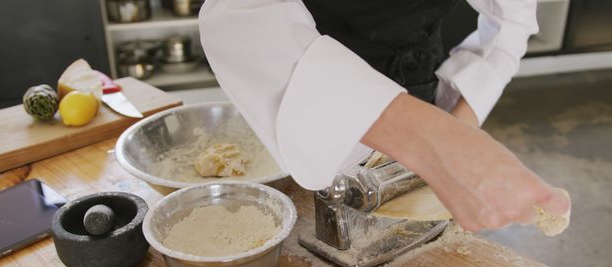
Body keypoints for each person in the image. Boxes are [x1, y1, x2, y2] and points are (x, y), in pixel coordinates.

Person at [198, 0, 570, 232]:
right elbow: (241, 17)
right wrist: (432, 143)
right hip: (301, 104)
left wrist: (457, 126)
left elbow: (511, 21)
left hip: (425, 95)